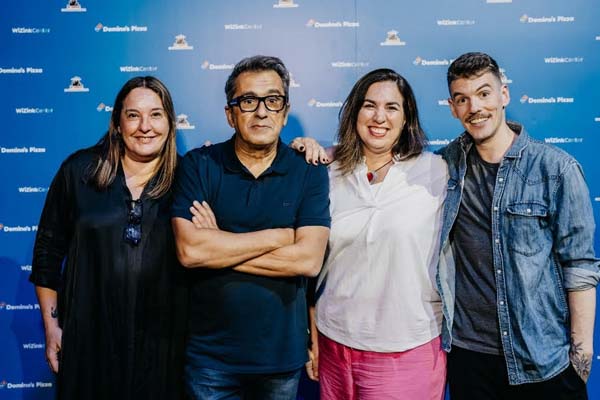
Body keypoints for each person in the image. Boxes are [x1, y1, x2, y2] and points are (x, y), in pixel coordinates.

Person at [437, 52, 600, 399]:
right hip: (469, 359)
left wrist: (581, 356)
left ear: (504, 95)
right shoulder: (444, 166)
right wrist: (327, 153)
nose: (475, 108)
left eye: (484, 93)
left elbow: (580, 267)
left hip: (541, 358)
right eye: (462, 99)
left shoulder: (556, 169)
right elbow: (387, 158)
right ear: (452, 108)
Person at [170, 55, 331, 400]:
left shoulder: (309, 170)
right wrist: (280, 237)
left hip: (280, 360)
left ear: (285, 112)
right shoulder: (199, 165)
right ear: (230, 114)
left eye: (273, 101)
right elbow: (190, 251)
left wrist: (219, 245)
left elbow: (308, 260)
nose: (261, 112)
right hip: (210, 359)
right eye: (247, 101)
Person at [30, 76, 188, 400]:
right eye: (133, 115)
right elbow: (47, 254)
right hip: (88, 345)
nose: (145, 126)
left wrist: (301, 149)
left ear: (170, 123)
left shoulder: (189, 179)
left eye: (156, 115)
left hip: (163, 350)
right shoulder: (80, 171)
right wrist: (51, 327)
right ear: (117, 123)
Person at [298, 68, 448, 399]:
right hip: (334, 343)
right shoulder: (326, 170)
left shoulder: (437, 171)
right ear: (354, 112)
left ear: (407, 118)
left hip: (407, 347)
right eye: (369, 105)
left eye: (392, 107)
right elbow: (311, 263)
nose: (379, 117)